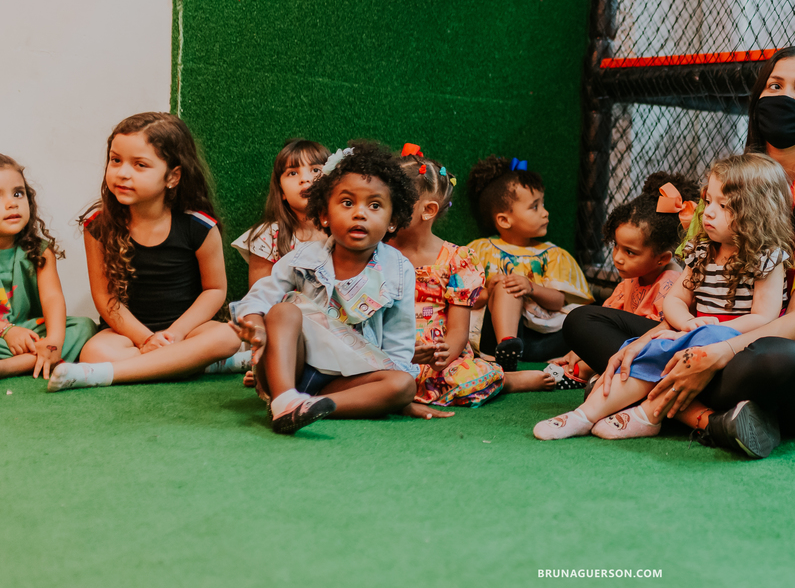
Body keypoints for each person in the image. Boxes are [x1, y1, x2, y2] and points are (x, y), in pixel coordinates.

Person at [564, 47, 795, 458]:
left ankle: (640, 391)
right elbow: (691, 289)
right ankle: (707, 418)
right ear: (757, 99)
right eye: (775, 86)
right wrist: (661, 336)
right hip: (708, 336)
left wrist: (717, 353)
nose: (785, 97)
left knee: (768, 360)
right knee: (584, 320)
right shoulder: (726, 184)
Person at [535, 154, 793, 441]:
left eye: (724, 206)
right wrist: (685, 324)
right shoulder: (701, 250)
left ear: (757, 212)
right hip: (693, 335)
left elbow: (764, 317)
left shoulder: (767, 258)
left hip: (734, 349)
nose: (708, 213)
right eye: (708, 201)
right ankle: (584, 415)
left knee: (695, 342)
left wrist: (707, 332)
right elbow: (675, 300)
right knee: (650, 348)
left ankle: (648, 414)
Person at [229, 142, 424, 434]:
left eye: (374, 205)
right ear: (324, 215)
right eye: (347, 203)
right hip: (290, 370)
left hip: (347, 380)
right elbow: (259, 297)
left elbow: (398, 345)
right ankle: (284, 400)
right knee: (283, 311)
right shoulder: (302, 258)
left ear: (393, 221)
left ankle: (307, 406)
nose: (360, 214)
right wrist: (256, 325)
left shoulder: (398, 270)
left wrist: (397, 399)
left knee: (403, 385)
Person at [49, 113, 241, 391]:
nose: (123, 173)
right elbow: (105, 297)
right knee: (95, 351)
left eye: (140, 165)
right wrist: (146, 339)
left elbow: (214, 290)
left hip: (187, 331)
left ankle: (105, 374)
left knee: (227, 337)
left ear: (172, 176)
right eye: (116, 160)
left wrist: (174, 334)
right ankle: (197, 363)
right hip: (127, 334)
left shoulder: (199, 226)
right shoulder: (98, 226)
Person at [389, 147, 552, 406]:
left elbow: (458, 330)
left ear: (428, 210)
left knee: (460, 377)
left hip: (438, 355)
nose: (382, 209)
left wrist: (444, 356)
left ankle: (505, 380)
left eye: (392, 202)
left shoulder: (456, 259)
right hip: (389, 350)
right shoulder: (377, 252)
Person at [550, 172, 697, 387]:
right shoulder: (631, 279)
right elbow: (608, 317)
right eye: (616, 246)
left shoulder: (670, 282)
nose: (618, 258)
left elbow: (662, 337)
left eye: (630, 252)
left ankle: (587, 372)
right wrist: (581, 348)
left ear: (662, 258)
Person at [465, 156, 592, 370]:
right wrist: (490, 290)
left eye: (543, 204)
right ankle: (507, 346)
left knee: (583, 325)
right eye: (534, 207)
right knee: (507, 285)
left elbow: (558, 301)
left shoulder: (553, 254)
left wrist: (531, 287)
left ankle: (512, 351)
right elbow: (464, 299)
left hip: (541, 339)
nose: (545, 212)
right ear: (504, 220)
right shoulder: (479, 250)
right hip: (492, 337)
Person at [0, 155, 97, 379]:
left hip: (30, 331)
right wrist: (7, 331)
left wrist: (53, 341)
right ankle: (38, 360)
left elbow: (52, 299)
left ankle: (13, 365)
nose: (12, 203)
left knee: (84, 327)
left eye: (18, 193)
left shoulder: (39, 252)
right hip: (3, 334)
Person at [232, 139, 330, 288]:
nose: (305, 179)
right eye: (293, 173)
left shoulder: (344, 229)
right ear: (281, 191)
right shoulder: (267, 237)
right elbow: (260, 297)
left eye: (315, 170)